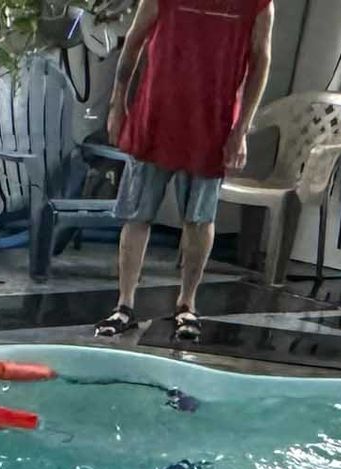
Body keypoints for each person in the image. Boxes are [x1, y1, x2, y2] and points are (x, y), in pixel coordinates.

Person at [94, 0, 274, 346]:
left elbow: (260, 62)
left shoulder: (257, 4)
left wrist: (241, 130)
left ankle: (187, 304)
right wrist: (118, 104)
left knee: (200, 218)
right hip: (155, 116)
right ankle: (124, 305)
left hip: (213, 123)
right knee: (137, 214)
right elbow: (134, 41)